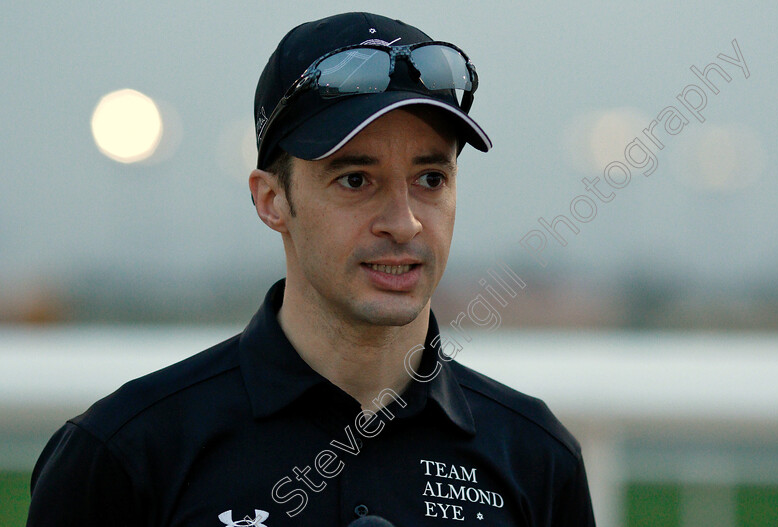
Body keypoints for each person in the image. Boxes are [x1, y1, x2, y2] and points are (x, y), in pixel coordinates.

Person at [27, 12, 596, 527]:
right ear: (271, 200)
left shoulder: (535, 458)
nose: (404, 223)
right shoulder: (126, 454)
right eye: (355, 179)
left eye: (430, 179)